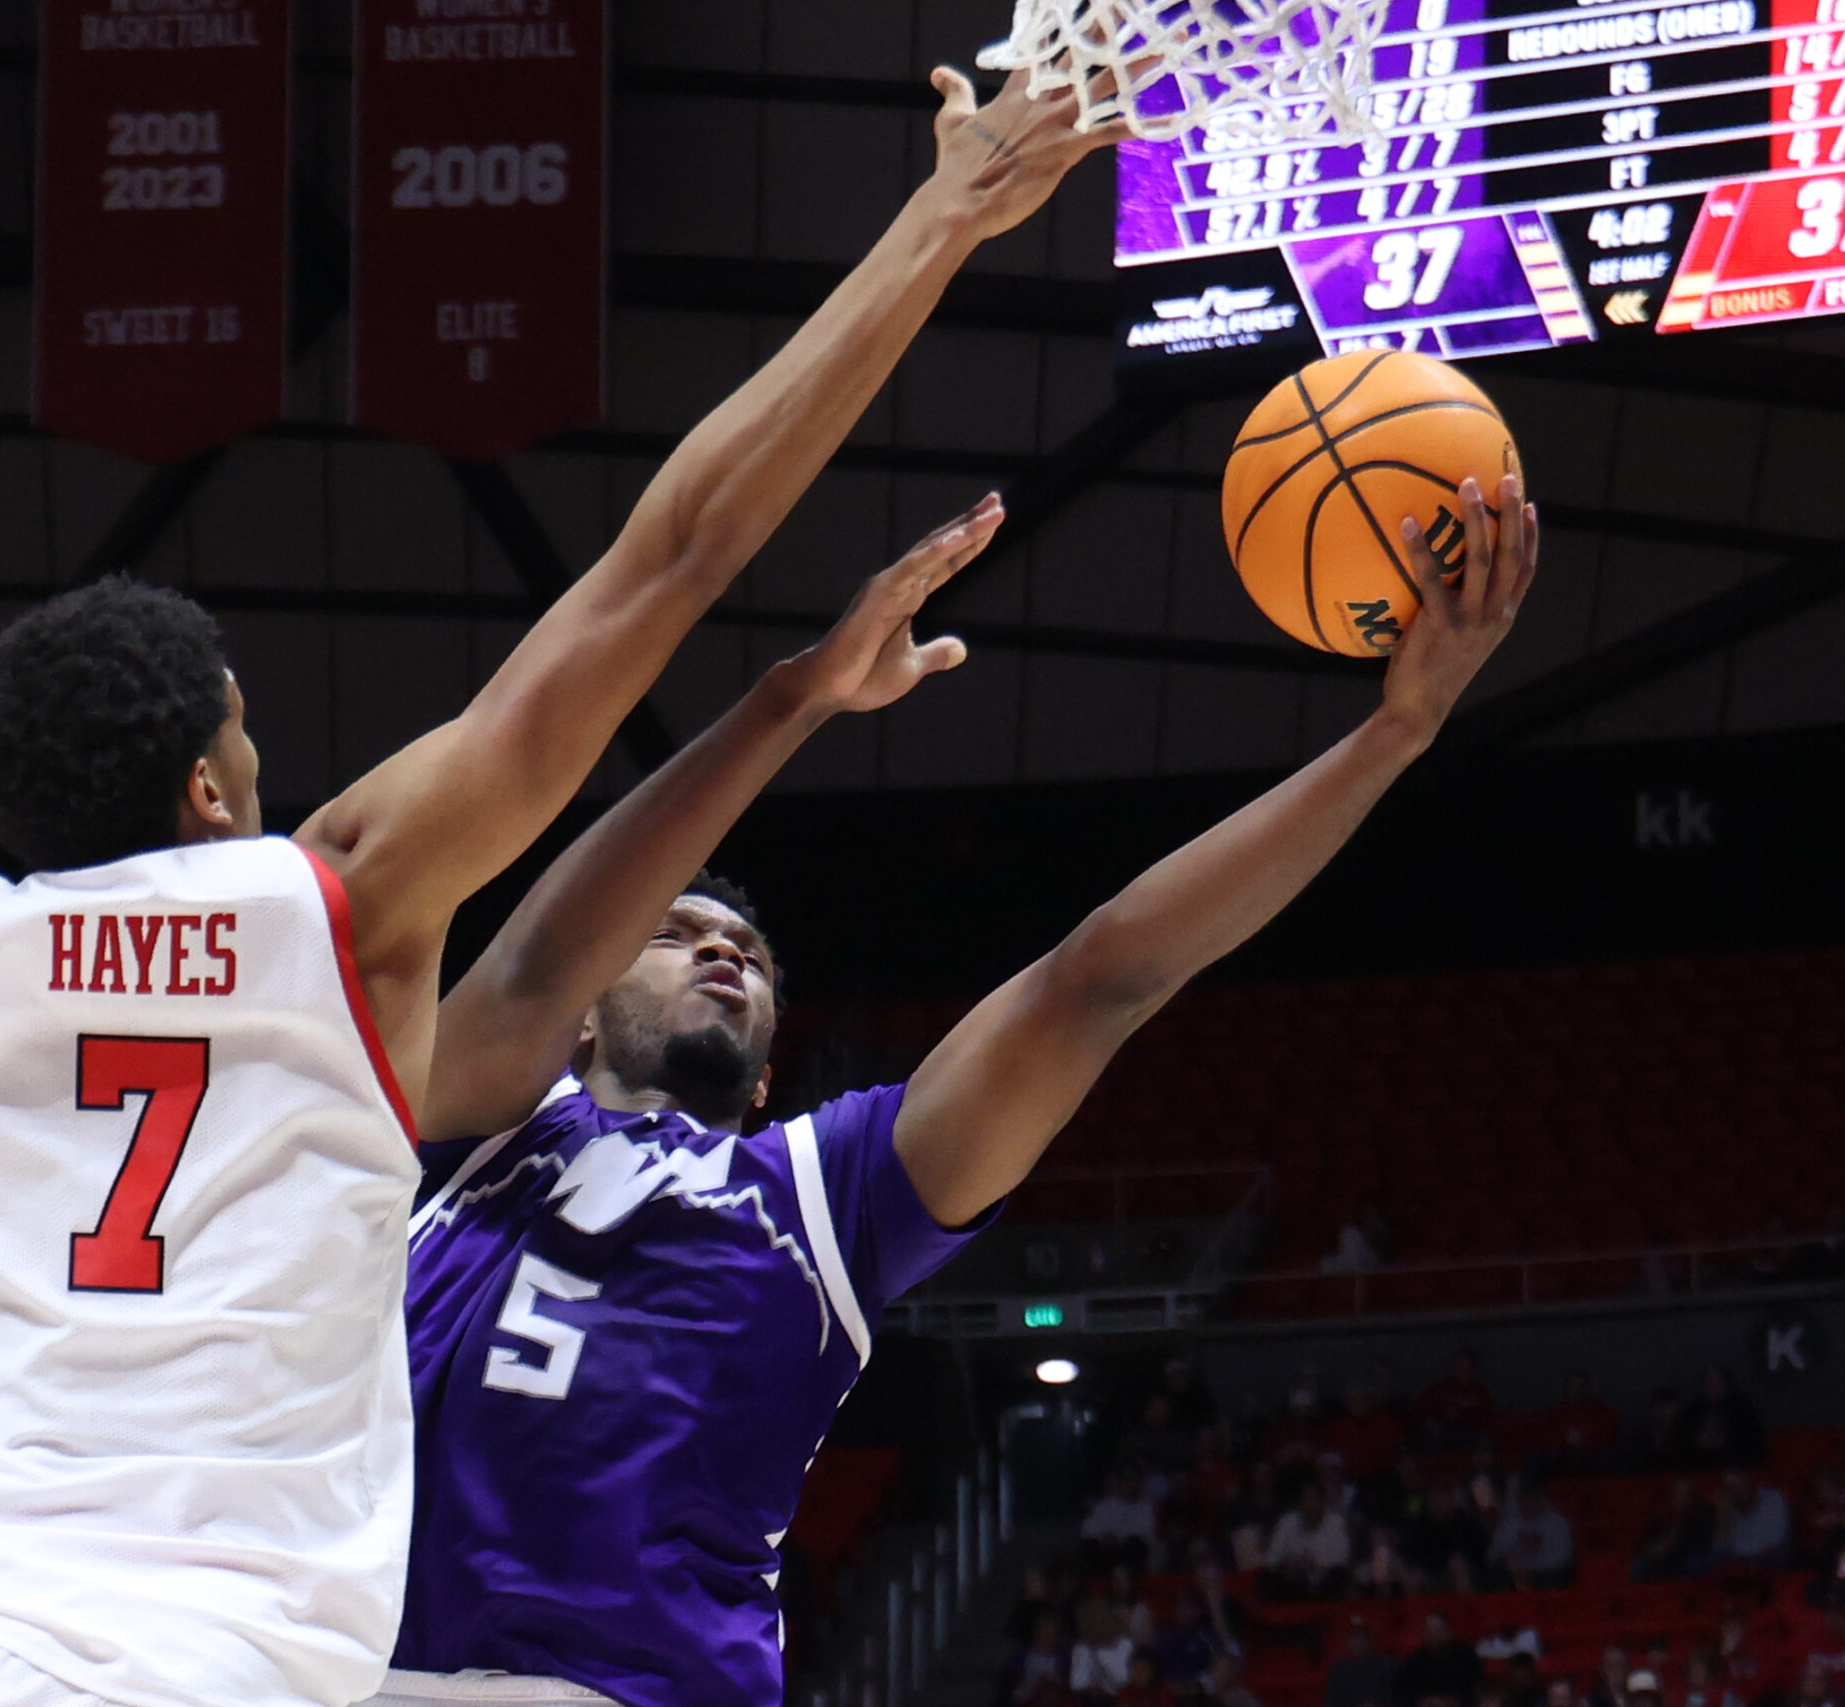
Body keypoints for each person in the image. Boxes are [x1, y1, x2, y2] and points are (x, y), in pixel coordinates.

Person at [0, 60, 1120, 1707]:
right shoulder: (337, 914)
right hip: (243, 1657)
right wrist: (943, 220)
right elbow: (671, 553)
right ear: (209, 786)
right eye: (252, 735)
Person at [388, 436, 1539, 1707]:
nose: (722, 953)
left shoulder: (815, 1198)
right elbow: (541, 953)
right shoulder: (466, 1132)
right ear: (584, 1023)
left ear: (768, 1075)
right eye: (674, 936)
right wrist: (795, 697)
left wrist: (1396, 730)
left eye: (750, 956)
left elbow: (1097, 980)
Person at [1265, 1483, 1354, 1601]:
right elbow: (1271, 1559)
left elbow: (1343, 1558)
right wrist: (1287, 1562)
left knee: (1337, 1576)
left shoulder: (1336, 1523)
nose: (1309, 1505)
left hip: (1324, 1583)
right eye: (1304, 1499)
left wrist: (1312, 1563)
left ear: (1322, 1501)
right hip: (1292, 1582)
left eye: (1313, 1499)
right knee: (1267, 1578)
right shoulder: (1286, 1522)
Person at [1486, 1481, 1575, 1590]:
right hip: (1515, 1575)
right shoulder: (1509, 1526)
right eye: (1526, 1500)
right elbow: (1493, 1555)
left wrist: (1531, 1568)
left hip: (1549, 1574)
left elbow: (1563, 1556)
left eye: (1534, 1499)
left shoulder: (1557, 1523)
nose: (1530, 1504)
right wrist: (1507, 1560)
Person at [1678, 1369, 1767, 1470]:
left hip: (1736, 1466)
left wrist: (1726, 1442)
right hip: (1701, 1467)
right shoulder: (1693, 1412)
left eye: (1717, 1382)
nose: (1713, 1386)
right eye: (1709, 1382)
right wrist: (1698, 1443)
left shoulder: (1742, 1410)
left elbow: (1753, 1443)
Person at [1414, 1351, 1500, 1452]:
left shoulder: (1481, 1392)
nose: (1459, 1369)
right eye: (1457, 1365)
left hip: (1468, 1434)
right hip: (1442, 1432)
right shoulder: (1438, 1386)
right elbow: (1420, 1409)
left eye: (1464, 1366)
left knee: (1483, 1441)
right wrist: (1432, 1420)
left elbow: (1488, 1418)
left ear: (1472, 1370)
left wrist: (1465, 1416)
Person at [1634, 1479, 1716, 1582]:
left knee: (1697, 1564)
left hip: (1684, 1560)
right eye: (1678, 1494)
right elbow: (1643, 1546)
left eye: (1686, 1495)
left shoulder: (1702, 1517)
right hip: (1659, 1560)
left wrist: (1675, 1545)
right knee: (1639, 1565)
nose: (1681, 1499)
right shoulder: (1659, 1519)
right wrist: (1655, 1549)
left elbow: (1702, 1546)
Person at [1085, 1469, 1164, 1573]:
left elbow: (1147, 1533)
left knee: (1134, 1545)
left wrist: (1120, 1540)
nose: (1132, 1485)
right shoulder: (1104, 1506)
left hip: (1130, 1551)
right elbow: (1088, 1530)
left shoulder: (1146, 1508)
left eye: (1135, 1481)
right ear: (1121, 1482)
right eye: (1128, 1480)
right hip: (1105, 1550)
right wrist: (1104, 1538)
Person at [1402, 1612, 1486, 1707]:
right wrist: (1426, 1702)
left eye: (1438, 1630)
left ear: (1448, 1632)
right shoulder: (1414, 1662)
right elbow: (1406, 1694)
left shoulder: (1466, 1656)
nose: (1434, 1635)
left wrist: (1452, 1701)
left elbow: (1475, 1687)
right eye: (1430, 1631)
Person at [1714, 1470, 1791, 1570]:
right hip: (1738, 1565)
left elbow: (1773, 1545)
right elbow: (1720, 1551)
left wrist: (1738, 1558)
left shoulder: (1773, 1500)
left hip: (1770, 1564)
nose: (1737, 1493)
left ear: (1748, 1480)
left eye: (1739, 1486)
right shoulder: (1728, 1510)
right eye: (1731, 1489)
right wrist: (1722, 1519)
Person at [1329, 1617, 1402, 1707]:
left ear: (1370, 1639)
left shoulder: (1387, 1665)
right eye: (1353, 1637)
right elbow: (1332, 1701)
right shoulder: (1339, 1669)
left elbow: (1400, 1697)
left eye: (1361, 1637)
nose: (1357, 1642)